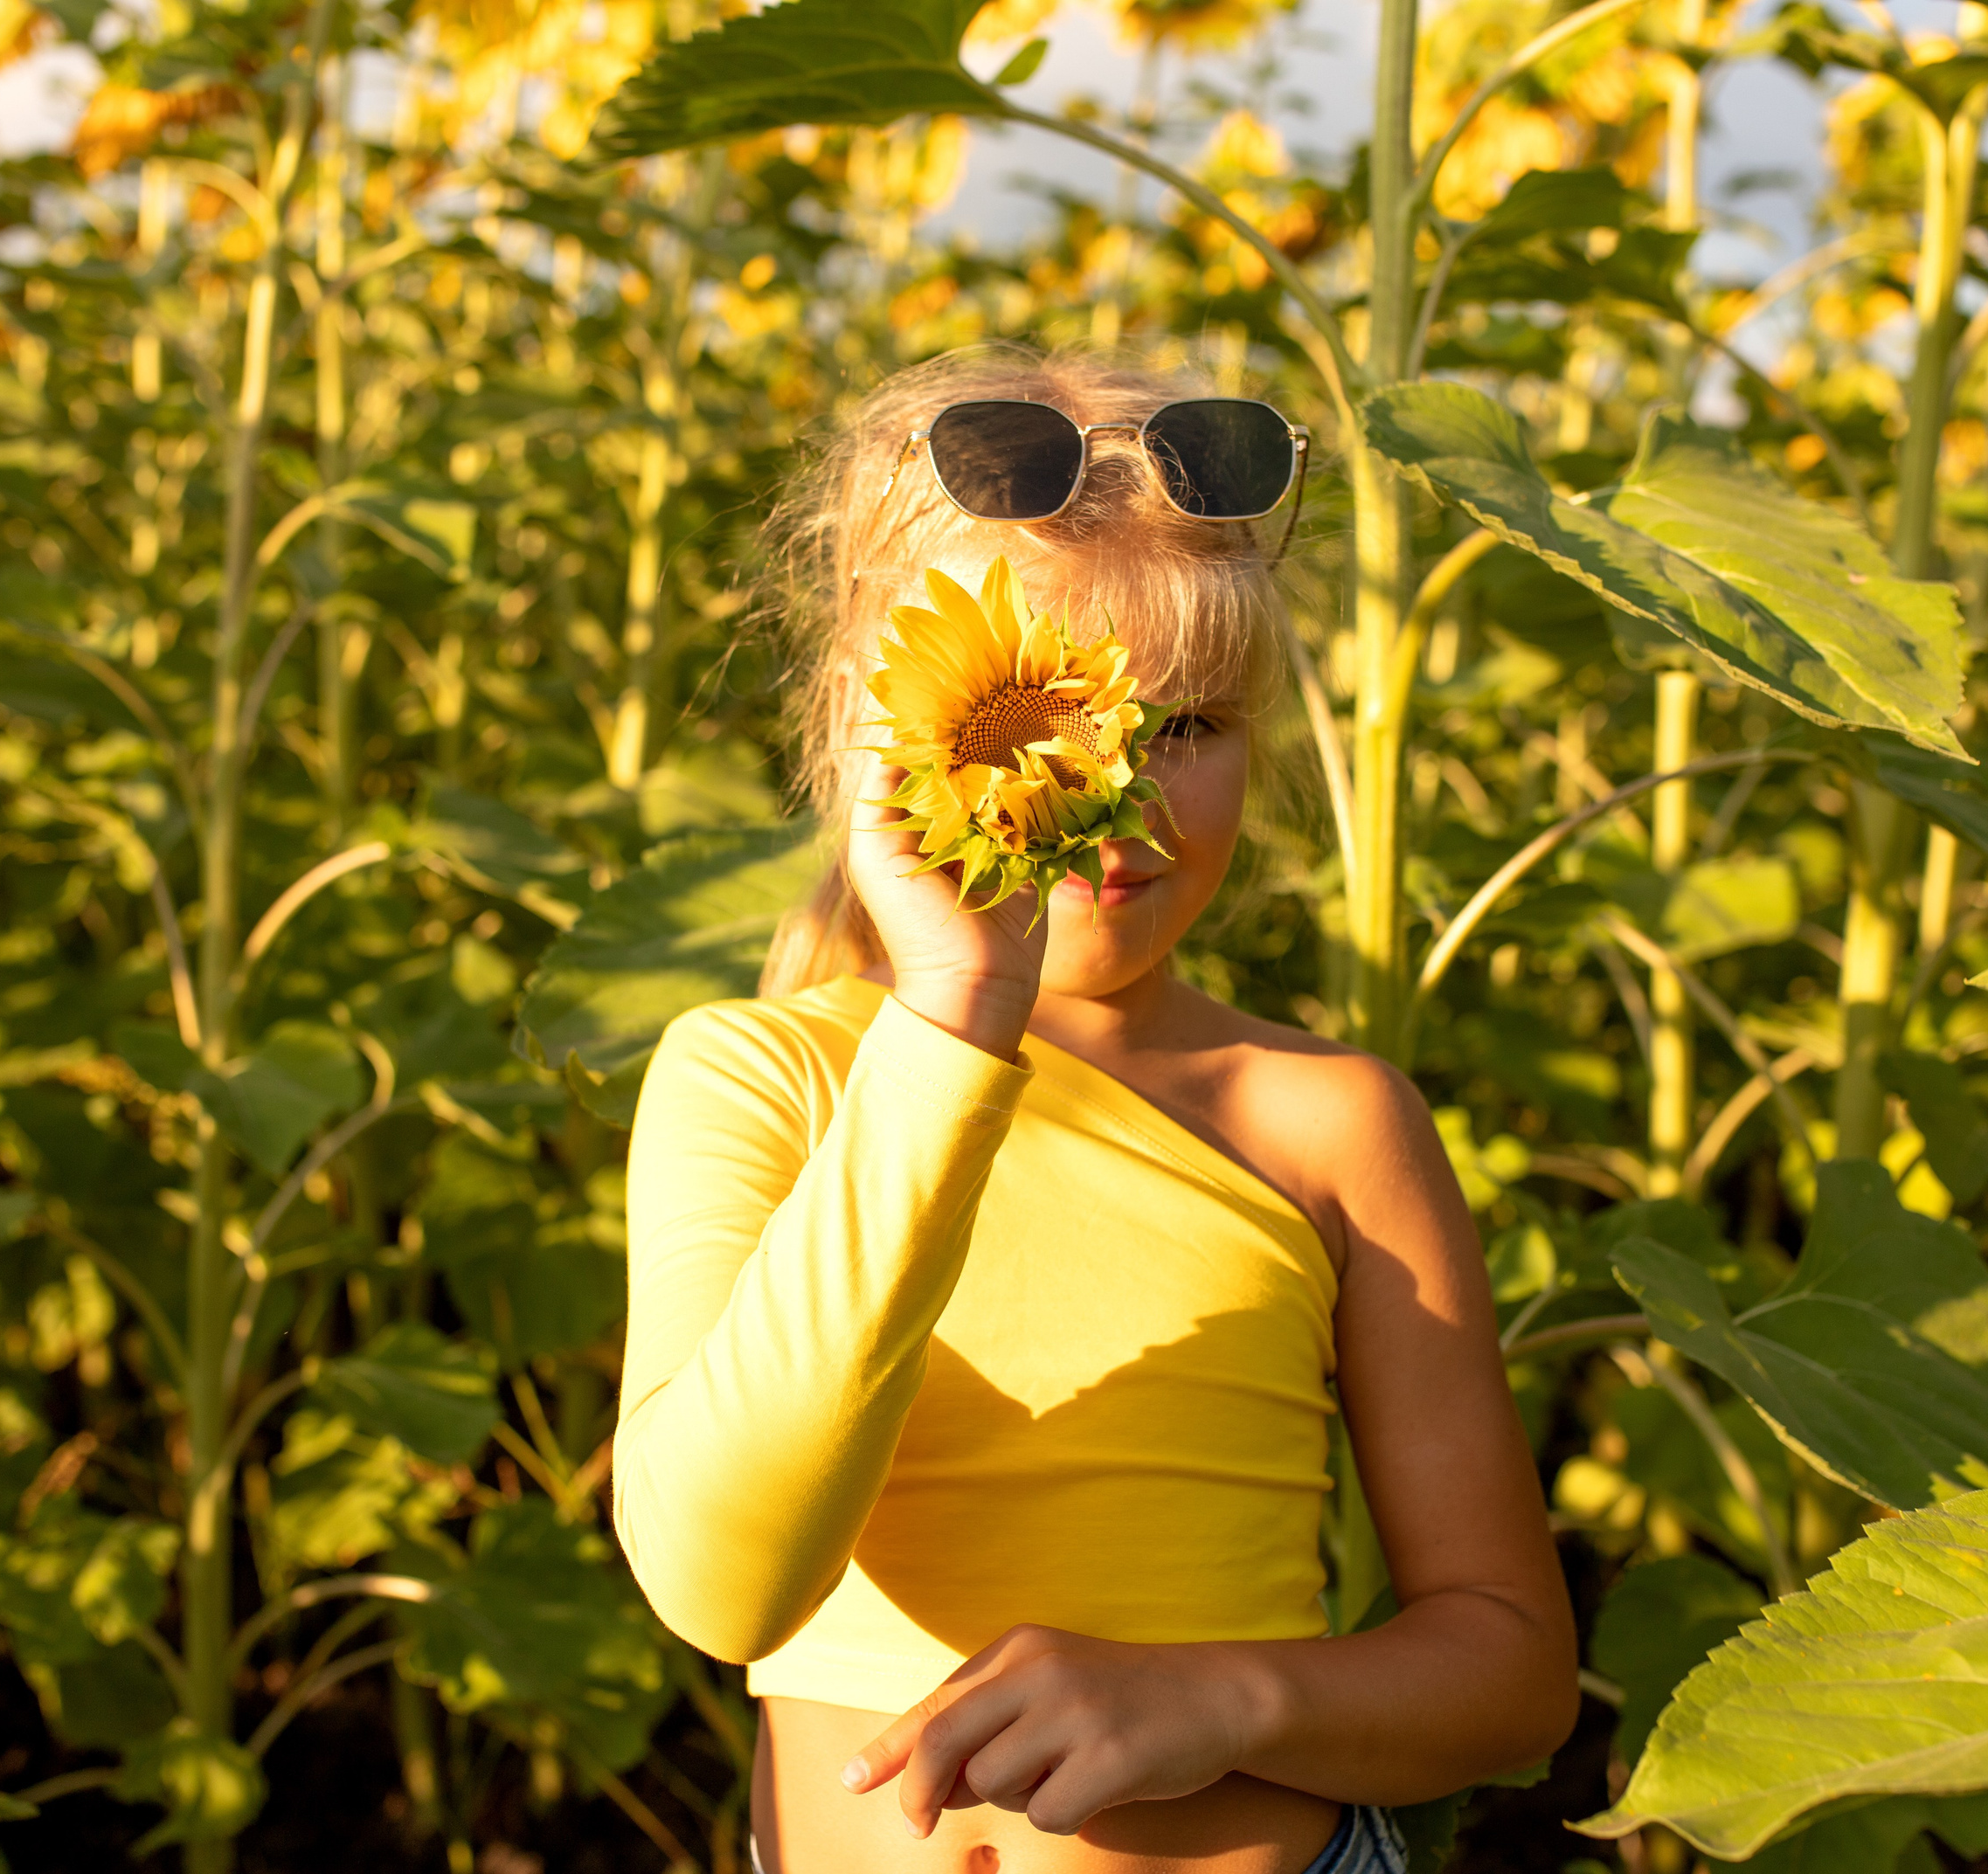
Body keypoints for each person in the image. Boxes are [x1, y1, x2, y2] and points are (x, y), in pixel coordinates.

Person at [615, 348, 1576, 1874]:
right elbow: (723, 1582)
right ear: (886, 742)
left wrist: (1224, 1693)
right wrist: (949, 1025)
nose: (1118, 792)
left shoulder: (1325, 1118)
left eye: (1187, 727)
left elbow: (1512, 1671)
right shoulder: (769, 1080)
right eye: (1031, 728)